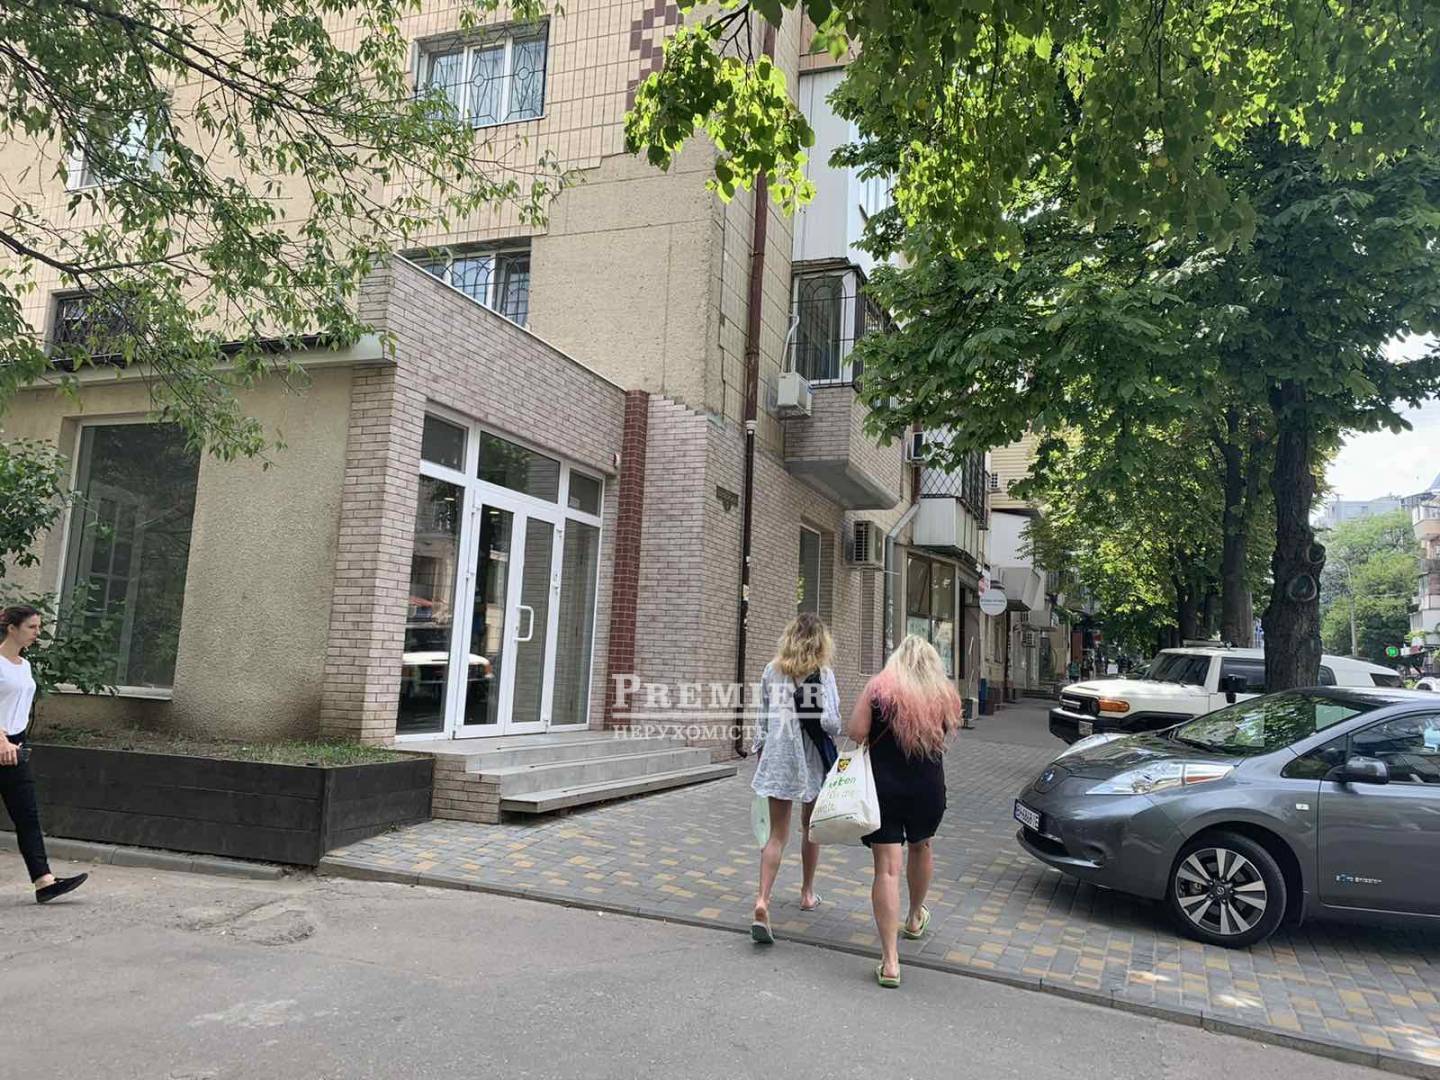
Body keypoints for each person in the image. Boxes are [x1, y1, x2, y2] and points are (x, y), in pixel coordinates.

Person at [848, 634, 962, 987]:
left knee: (886, 869)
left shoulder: (878, 688)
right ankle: (914, 917)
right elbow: (949, 728)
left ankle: (890, 962)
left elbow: (856, 732)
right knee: (922, 846)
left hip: (883, 789)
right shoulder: (943, 692)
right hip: (927, 788)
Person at [749, 612, 841, 944]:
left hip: (779, 759)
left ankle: (762, 900)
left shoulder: (771, 671)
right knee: (810, 829)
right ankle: (807, 893)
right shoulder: (823, 674)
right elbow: (831, 723)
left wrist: (761, 754)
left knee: (776, 835)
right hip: (811, 761)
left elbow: (761, 721)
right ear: (821, 643)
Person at [0, 605, 88, 904]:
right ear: (12, 628)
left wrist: (16, 741)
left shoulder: (24, 665)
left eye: (38, 627)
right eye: (32, 627)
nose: (37, 633)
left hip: (15, 746)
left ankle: (44, 882)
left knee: (27, 815)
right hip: (1, 742)